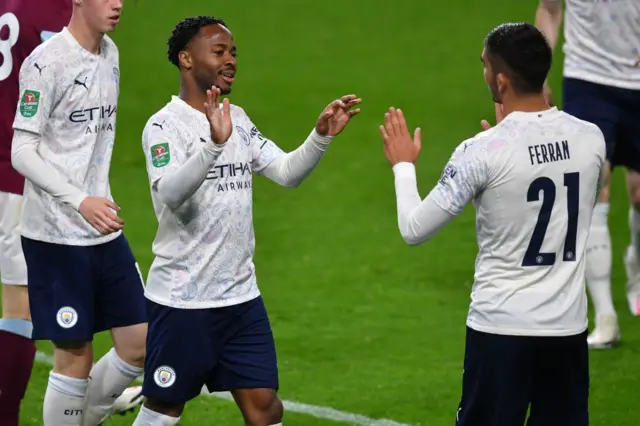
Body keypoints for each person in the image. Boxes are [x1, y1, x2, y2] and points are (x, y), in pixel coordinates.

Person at [131, 15, 360, 426]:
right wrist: (214, 147)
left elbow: (286, 172)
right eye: (219, 51)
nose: (230, 59)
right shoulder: (163, 126)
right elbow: (169, 192)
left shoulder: (238, 119)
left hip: (240, 298)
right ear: (186, 59)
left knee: (265, 408)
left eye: (233, 52)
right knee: (164, 409)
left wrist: (320, 136)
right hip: (185, 301)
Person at [380, 23, 604, 426]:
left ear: (500, 80)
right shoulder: (591, 139)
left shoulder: (481, 152)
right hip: (567, 333)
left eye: (484, 66)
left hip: (501, 331)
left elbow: (414, 228)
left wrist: (402, 167)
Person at [9, 0, 147, 425]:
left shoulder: (111, 54)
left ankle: (82, 420)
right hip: (55, 235)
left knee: (140, 343)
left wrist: (93, 200)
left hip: (102, 230)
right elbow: (21, 151)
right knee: (75, 357)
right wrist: (78, 199)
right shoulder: (45, 64)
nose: (118, 4)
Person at [535, 0, 640, 348]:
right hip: (588, 79)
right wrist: (538, 73)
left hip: (636, 80)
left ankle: (635, 266)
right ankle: (605, 317)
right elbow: (550, 9)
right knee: (594, 186)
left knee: (638, 194)